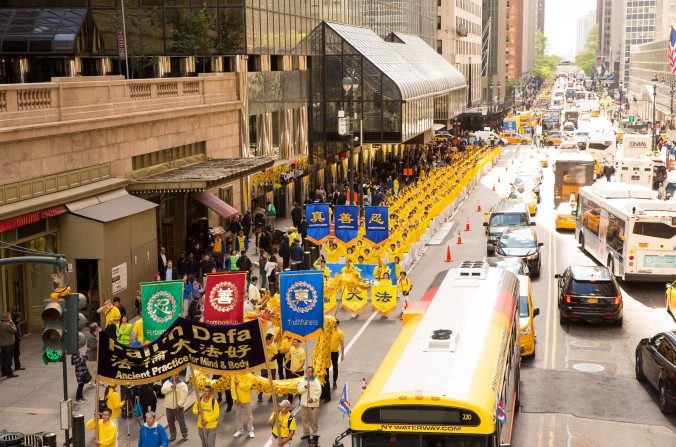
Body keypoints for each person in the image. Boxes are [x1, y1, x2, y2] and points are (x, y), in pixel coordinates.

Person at [161, 375, 189, 442]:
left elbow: (184, 396)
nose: (175, 376)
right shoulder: (167, 382)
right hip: (169, 407)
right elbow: (163, 391)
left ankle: (184, 434)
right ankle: (173, 435)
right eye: (173, 375)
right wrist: (171, 387)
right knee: (170, 422)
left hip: (178, 408)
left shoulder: (183, 385)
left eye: (176, 375)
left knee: (181, 422)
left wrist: (179, 404)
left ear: (178, 375)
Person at [297, 366, 321, 439]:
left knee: (313, 421)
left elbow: (318, 392)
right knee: (304, 420)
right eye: (307, 372)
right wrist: (305, 387)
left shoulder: (316, 381)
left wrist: (313, 399)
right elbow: (299, 390)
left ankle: (315, 433)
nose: (308, 373)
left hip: (313, 405)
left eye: (310, 372)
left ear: (312, 372)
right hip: (304, 404)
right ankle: (306, 433)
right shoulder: (302, 381)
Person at [259, 333, 278, 402]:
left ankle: (272, 396)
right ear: (267, 339)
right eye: (271, 339)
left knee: (272, 383)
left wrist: (271, 359)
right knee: (262, 382)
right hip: (264, 368)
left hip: (272, 368)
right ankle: (260, 396)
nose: (272, 341)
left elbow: (276, 355)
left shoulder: (273, 347)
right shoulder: (262, 346)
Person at [0, 312, 17, 378]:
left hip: (1, 344)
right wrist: (12, 322)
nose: (10, 318)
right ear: (6, 317)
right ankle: (9, 373)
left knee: (3, 359)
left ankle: (3, 372)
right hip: (8, 344)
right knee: (8, 359)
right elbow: (15, 330)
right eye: (9, 316)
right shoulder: (7, 325)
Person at [330, 320, 345, 390]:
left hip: (335, 352)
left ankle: (334, 382)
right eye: (333, 322)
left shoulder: (340, 333)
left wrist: (342, 354)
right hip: (327, 352)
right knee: (325, 367)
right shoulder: (329, 331)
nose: (334, 324)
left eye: (335, 323)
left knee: (335, 367)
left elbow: (342, 344)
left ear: (337, 324)